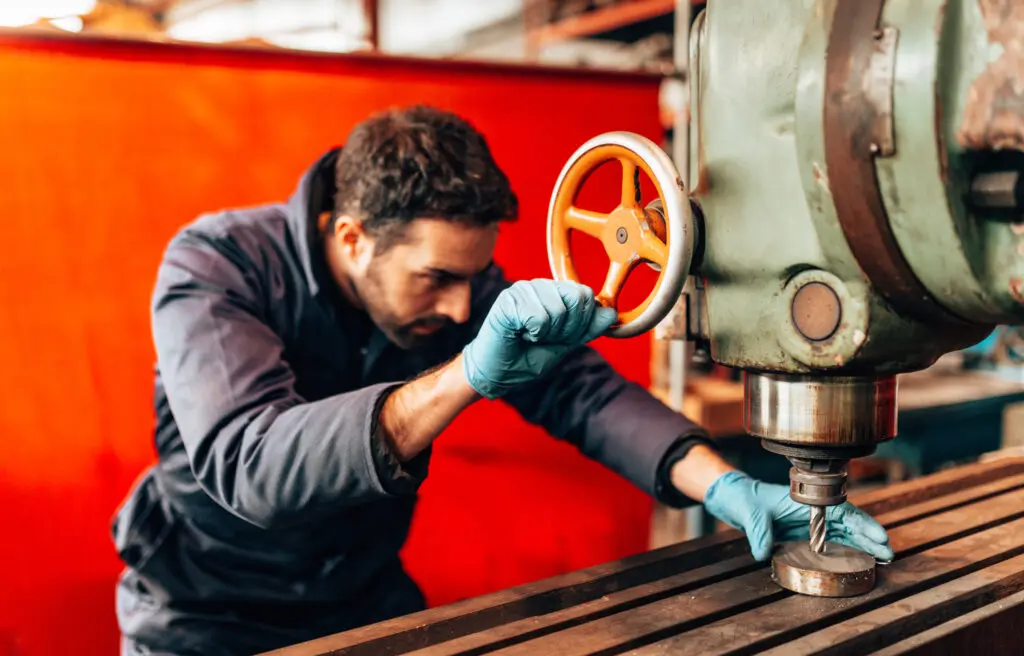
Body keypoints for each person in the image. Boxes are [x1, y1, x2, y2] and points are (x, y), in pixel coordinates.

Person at [112, 105, 892, 656]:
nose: (462, 306)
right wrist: (463, 375)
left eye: (476, 276)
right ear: (352, 238)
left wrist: (723, 485)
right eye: (437, 279)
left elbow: (577, 390)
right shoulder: (216, 268)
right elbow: (251, 464)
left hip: (362, 603)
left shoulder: (450, 285)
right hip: (206, 618)